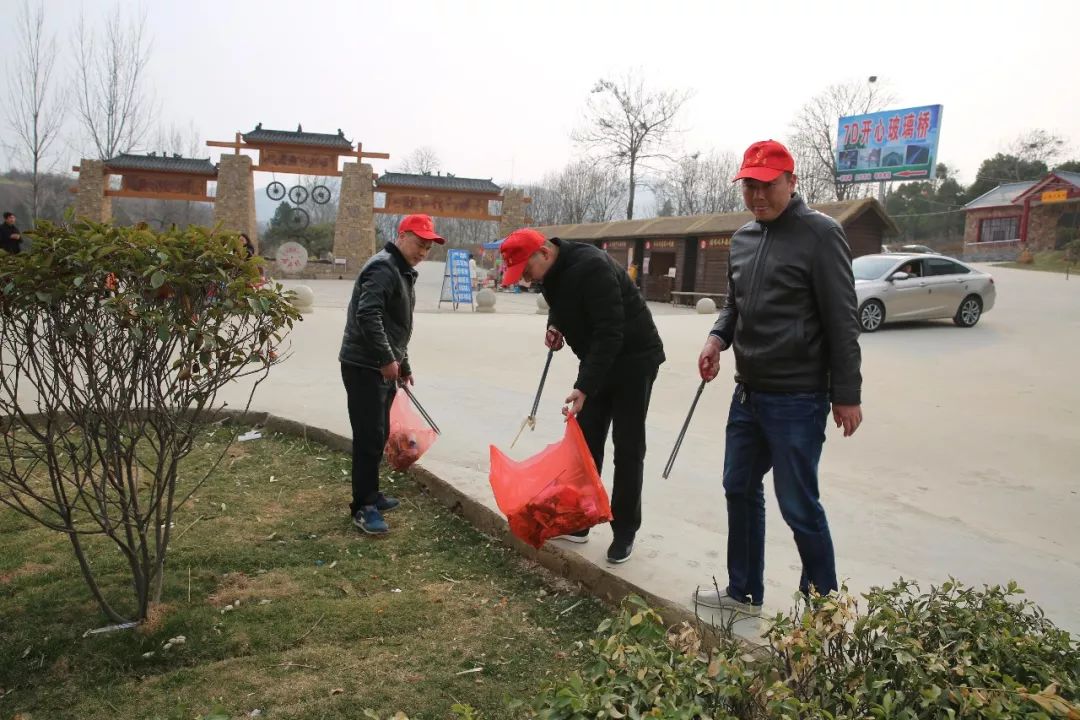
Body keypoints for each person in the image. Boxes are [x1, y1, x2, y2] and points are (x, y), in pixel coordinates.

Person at [694, 140, 863, 613]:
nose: (757, 195)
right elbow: (735, 302)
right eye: (750, 185)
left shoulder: (821, 235)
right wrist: (716, 339)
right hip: (748, 393)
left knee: (798, 505)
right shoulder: (744, 237)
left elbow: (842, 320)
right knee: (738, 487)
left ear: (792, 181)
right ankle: (744, 590)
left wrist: (846, 394)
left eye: (767, 185)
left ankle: (823, 609)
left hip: (799, 397)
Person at [499, 228, 665, 564]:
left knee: (628, 446)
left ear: (544, 253)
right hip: (599, 360)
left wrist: (585, 386)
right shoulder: (553, 272)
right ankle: (582, 519)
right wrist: (555, 324)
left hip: (634, 359)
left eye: (527, 271)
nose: (528, 280)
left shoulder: (592, 267)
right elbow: (561, 300)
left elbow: (610, 331)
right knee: (586, 445)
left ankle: (625, 530)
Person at [339, 214, 445, 535]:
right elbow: (368, 315)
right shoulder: (384, 267)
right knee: (369, 436)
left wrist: (403, 364)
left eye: (428, 247)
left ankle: (372, 494)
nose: (423, 252)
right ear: (401, 236)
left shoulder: (401, 271)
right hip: (364, 365)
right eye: (419, 243)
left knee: (379, 432)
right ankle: (363, 507)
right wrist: (387, 358)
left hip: (381, 366)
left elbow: (394, 326)